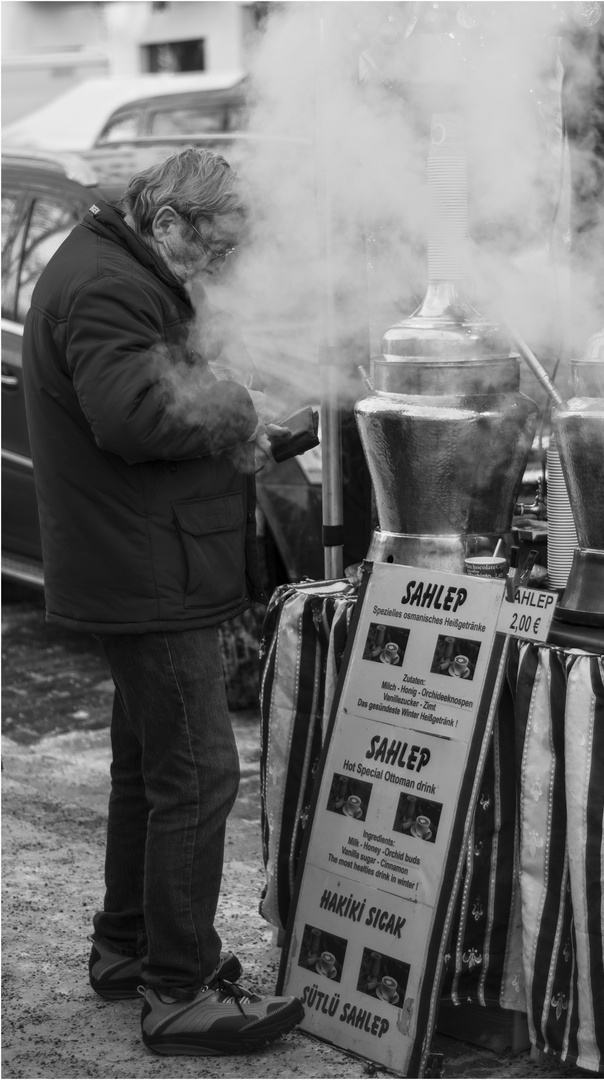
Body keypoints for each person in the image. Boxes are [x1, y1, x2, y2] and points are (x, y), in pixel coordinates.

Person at [22, 147, 304, 1055]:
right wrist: (239, 411)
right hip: (146, 567)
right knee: (198, 775)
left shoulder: (115, 262)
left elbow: (146, 398)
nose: (217, 271)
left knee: (150, 770)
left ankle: (128, 948)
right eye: (213, 251)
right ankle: (178, 991)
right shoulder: (110, 285)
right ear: (167, 221)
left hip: (139, 557)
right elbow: (132, 417)